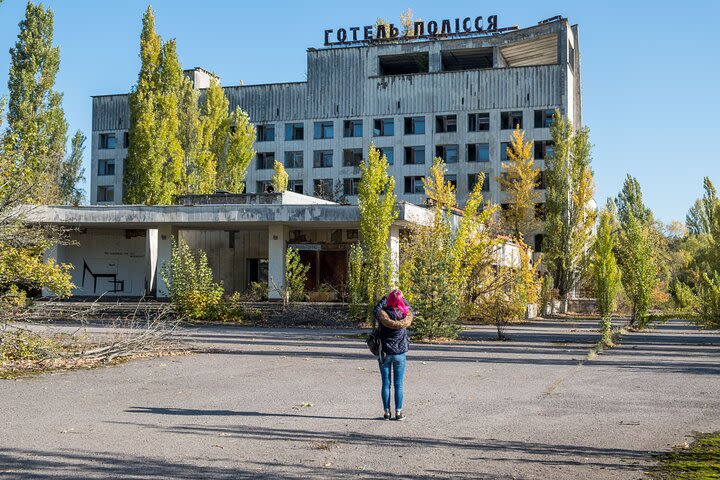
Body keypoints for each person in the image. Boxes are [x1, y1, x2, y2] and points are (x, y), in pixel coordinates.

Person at [373, 289, 413, 421]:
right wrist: (401, 298)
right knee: (398, 384)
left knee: (386, 383)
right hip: (400, 353)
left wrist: (385, 298)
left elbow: (376, 309)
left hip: (385, 353)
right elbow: (410, 309)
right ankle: (399, 412)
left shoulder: (383, 314)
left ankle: (386, 412)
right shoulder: (404, 315)